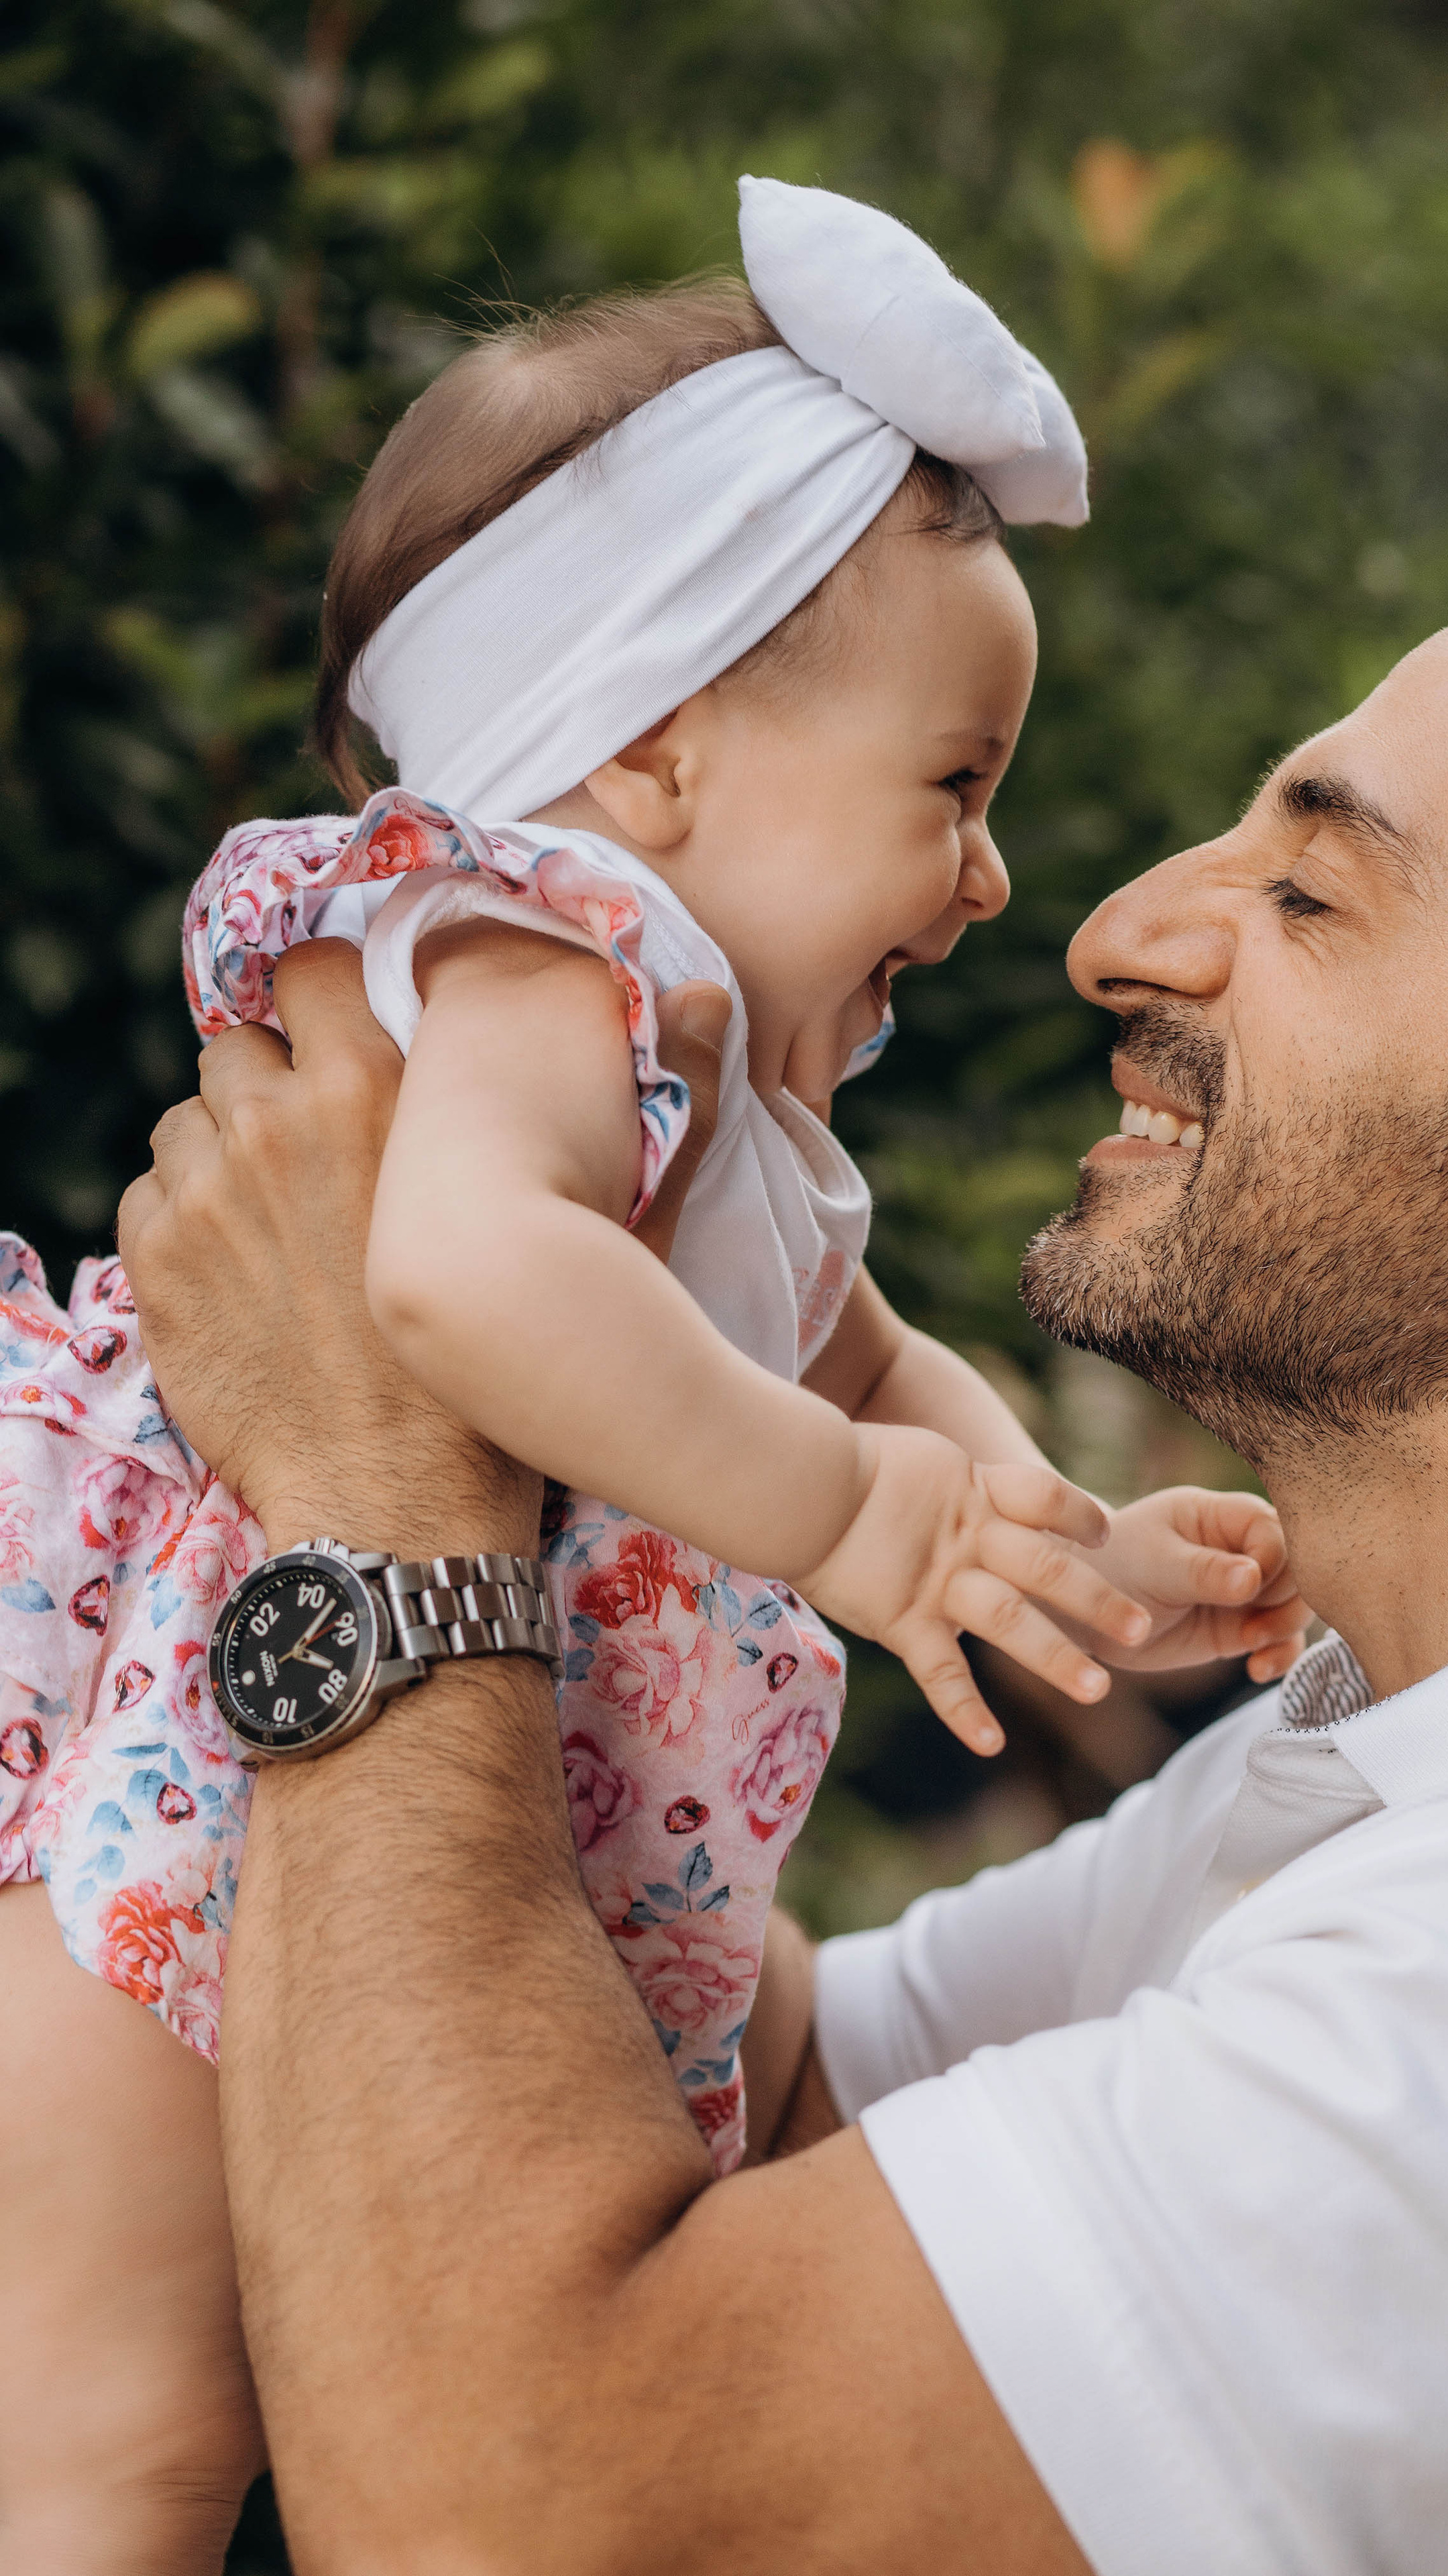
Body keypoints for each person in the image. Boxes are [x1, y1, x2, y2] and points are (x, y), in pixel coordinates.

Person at [107, 496, 1448, 2575]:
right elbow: (742, 2090)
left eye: (1311, 891)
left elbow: (524, 2514)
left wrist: (378, 1488)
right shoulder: (1366, 1782)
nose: (1114, 929)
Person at [0, 181, 1309, 2576]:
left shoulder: (731, 1118)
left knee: (211, 2445)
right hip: (187, 1808)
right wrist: (843, 1520)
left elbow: (879, 1360)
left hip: (353, 1830)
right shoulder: (539, 968)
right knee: (107, 2445)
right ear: (659, 751)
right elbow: (460, 1282)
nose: (995, 876)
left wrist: (1054, 1541)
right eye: (955, 785)